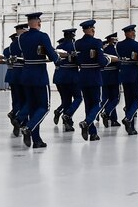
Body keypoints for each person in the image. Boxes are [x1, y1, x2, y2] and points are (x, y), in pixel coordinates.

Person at [16, 12, 59, 148]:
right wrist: (58, 58)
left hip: (26, 74)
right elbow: (52, 55)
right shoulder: (42, 36)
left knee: (33, 108)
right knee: (44, 107)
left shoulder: (22, 37)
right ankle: (29, 128)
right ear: (38, 22)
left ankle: (37, 139)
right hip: (39, 75)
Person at [75, 20, 107, 141]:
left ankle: (93, 133)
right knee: (98, 103)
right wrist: (107, 61)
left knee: (88, 105)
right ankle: (87, 122)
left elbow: (77, 61)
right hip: (94, 76)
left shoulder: (78, 43)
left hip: (82, 76)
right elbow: (102, 61)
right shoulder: (97, 42)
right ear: (92, 29)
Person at [116, 25, 138, 135]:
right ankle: (128, 119)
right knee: (137, 100)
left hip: (124, 75)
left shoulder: (119, 45)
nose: (134, 33)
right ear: (131, 33)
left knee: (128, 101)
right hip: (135, 75)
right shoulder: (137, 45)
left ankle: (131, 127)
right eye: (133, 32)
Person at [52, 27, 81, 131]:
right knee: (78, 98)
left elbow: (56, 61)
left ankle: (67, 123)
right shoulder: (74, 46)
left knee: (66, 100)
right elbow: (78, 62)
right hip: (72, 76)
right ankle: (68, 115)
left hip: (60, 76)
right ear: (73, 36)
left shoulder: (59, 46)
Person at [6, 23, 27, 136]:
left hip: (14, 74)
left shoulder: (12, 45)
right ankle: (21, 120)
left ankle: (15, 113)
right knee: (25, 99)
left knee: (16, 99)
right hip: (23, 74)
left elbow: (6, 54)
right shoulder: (24, 43)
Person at [100, 33, 121, 127]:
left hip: (104, 76)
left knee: (106, 98)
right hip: (113, 76)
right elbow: (119, 64)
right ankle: (107, 113)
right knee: (115, 98)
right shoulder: (116, 50)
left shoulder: (103, 50)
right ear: (112, 40)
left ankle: (113, 119)